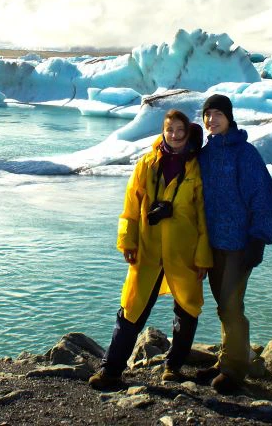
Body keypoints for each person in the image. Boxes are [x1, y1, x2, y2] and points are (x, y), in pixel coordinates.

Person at [89, 109, 213, 390]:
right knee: (132, 308)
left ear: (187, 132)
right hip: (148, 250)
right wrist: (127, 240)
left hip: (184, 252)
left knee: (187, 310)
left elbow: (204, 216)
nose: (175, 135)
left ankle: (172, 368)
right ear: (163, 131)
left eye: (180, 130)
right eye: (170, 130)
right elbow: (131, 206)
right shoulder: (147, 164)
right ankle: (111, 370)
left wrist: (204, 256)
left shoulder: (196, 169)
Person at [197, 94, 272, 394]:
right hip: (213, 244)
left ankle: (235, 370)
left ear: (229, 118)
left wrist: (258, 239)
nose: (212, 120)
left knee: (231, 305)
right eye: (208, 114)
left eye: (218, 114)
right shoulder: (205, 155)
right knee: (223, 305)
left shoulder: (245, 154)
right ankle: (226, 360)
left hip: (239, 244)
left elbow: (263, 197)